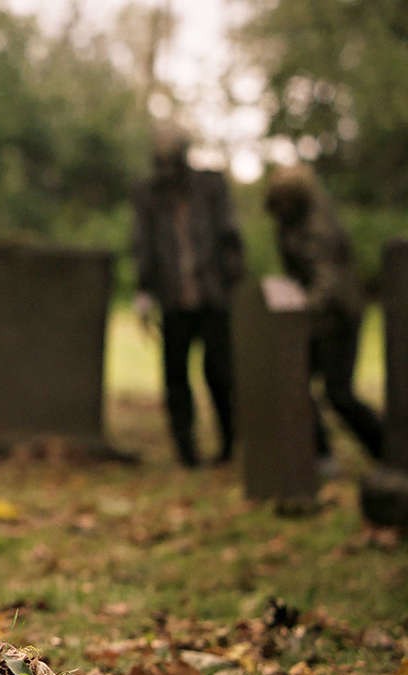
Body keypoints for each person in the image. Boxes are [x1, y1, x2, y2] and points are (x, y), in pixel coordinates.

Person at [131, 124, 245, 467]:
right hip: (174, 300)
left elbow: (230, 237)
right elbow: (144, 244)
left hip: (212, 298)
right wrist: (143, 290)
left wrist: (232, 283)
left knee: (219, 372)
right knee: (176, 377)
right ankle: (186, 451)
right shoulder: (148, 196)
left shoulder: (209, 187)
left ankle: (228, 444)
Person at [264, 164, 383, 463]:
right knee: (294, 383)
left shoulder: (318, 227)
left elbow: (326, 280)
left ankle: (387, 448)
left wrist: (301, 308)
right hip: (315, 321)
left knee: (339, 393)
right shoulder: (286, 223)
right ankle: (320, 454)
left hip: (340, 317)